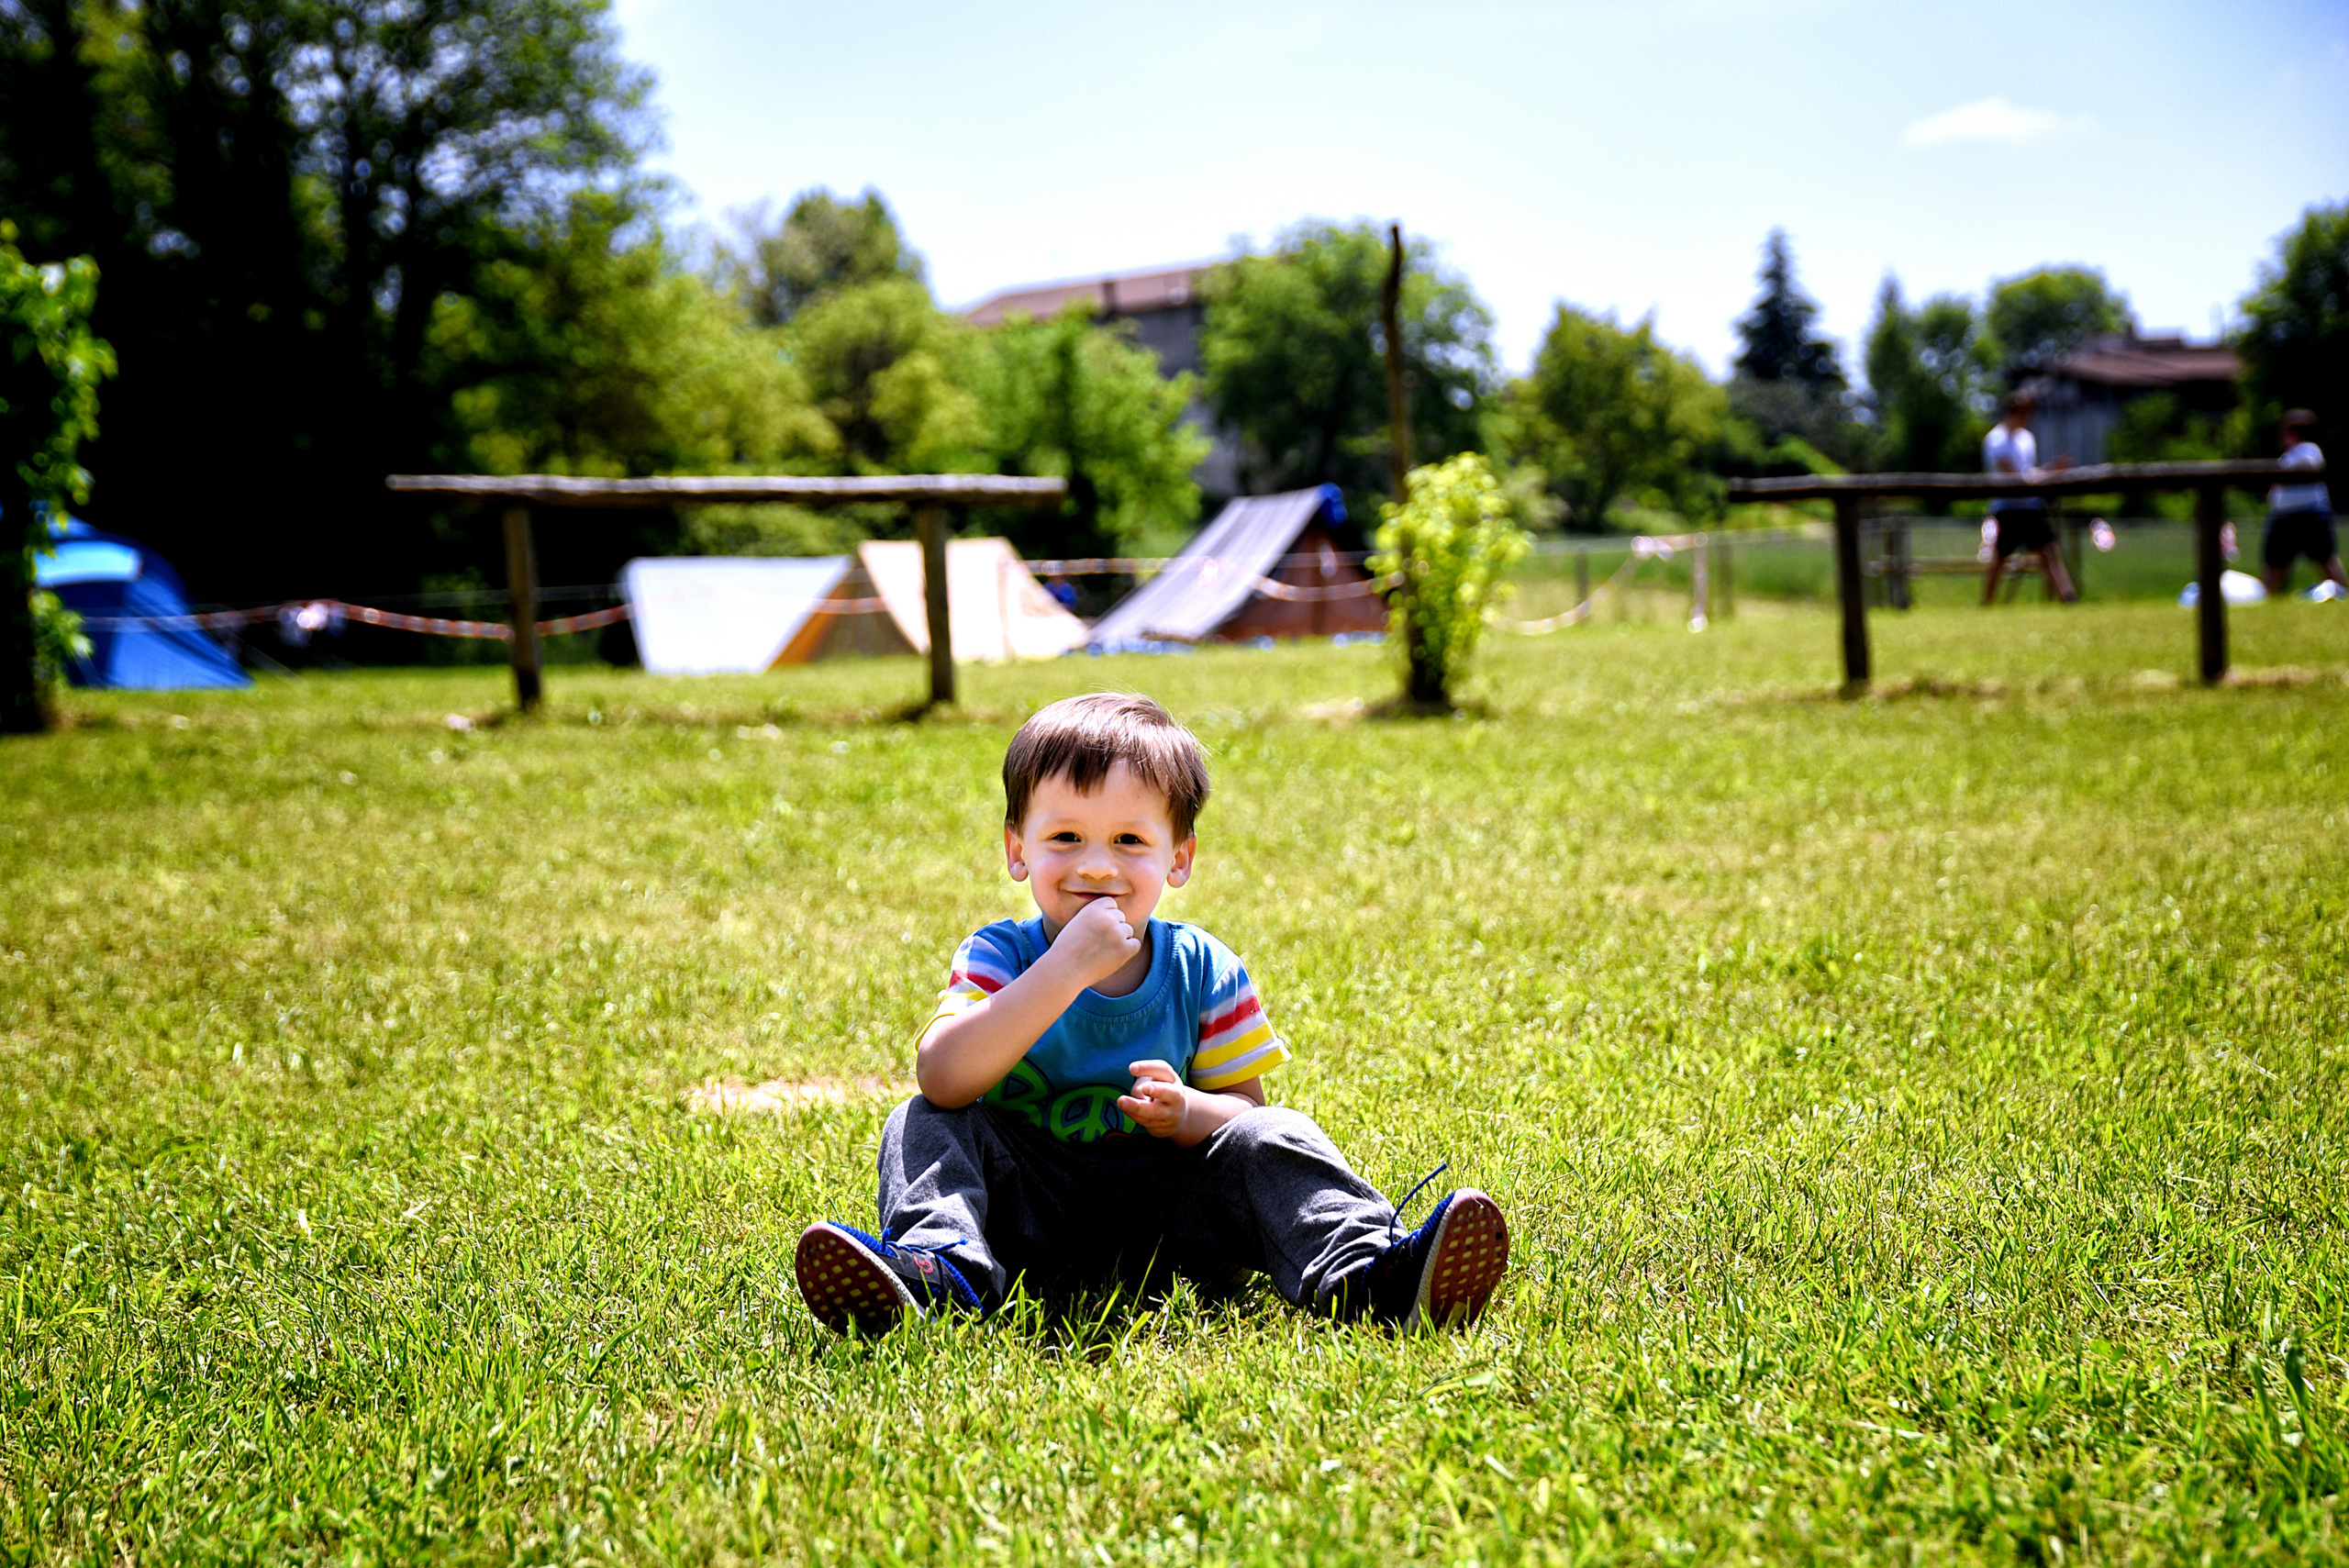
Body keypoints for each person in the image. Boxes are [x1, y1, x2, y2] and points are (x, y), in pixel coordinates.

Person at [793, 692, 1509, 1335]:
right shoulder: (999, 954)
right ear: (1018, 850)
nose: (1097, 866)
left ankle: (1370, 1276)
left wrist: (1189, 1110)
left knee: (1278, 1133)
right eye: (1065, 838)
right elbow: (944, 1077)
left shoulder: (1204, 969)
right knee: (923, 1120)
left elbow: (1245, 1113)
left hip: (1175, 1215)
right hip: (1026, 1210)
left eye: (1129, 841)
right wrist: (1064, 970)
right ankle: (942, 1277)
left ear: (1179, 858)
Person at [1980, 391, 2077, 605]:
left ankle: (2068, 598)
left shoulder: (2027, 438)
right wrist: (2049, 472)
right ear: (2011, 412)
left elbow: (2029, 472)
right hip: (2007, 507)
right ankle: (1986, 603)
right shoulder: (1996, 440)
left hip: (2031, 505)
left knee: (2049, 553)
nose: (2027, 418)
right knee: (2000, 558)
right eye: (2022, 412)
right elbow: (2014, 475)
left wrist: (2051, 470)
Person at [2260, 410, 2343, 598]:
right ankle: (2266, 597)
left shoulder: (2309, 450)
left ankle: (2340, 592)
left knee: (2325, 558)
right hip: (2285, 517)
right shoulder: (2289, 455)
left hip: (2310, 514)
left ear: (2292, 433)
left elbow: (2308, 464)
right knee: (2276, 563)